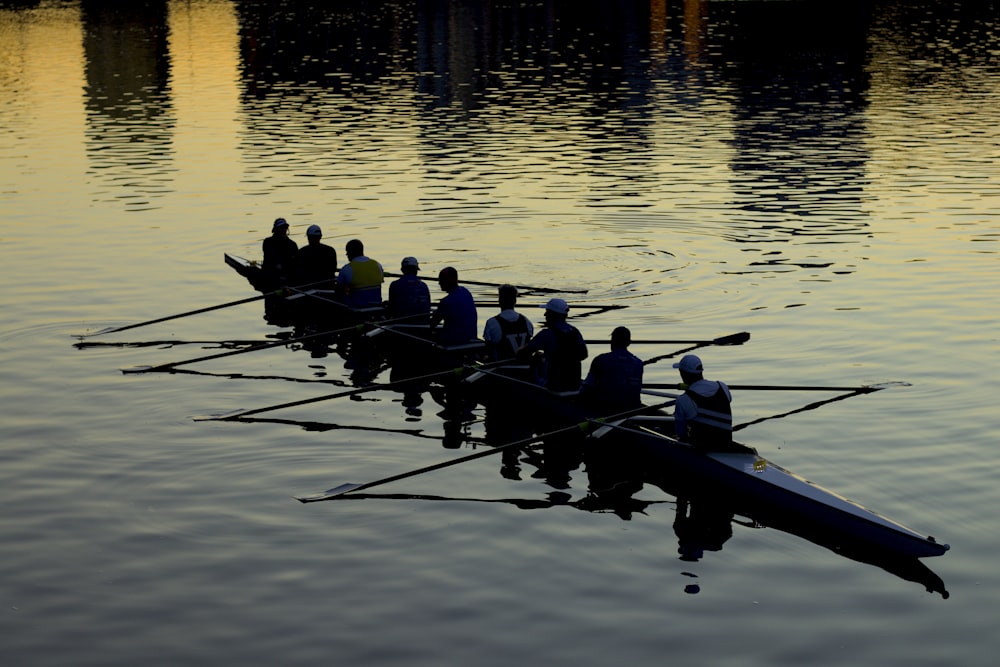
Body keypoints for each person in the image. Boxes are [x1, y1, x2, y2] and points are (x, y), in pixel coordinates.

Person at [518, 298, 588, 392]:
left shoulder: (546, 334)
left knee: (536, 363)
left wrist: (538, 358)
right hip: (573, 382)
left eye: (547, 312)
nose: (545, 315)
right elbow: (584, 354)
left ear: (552, 315)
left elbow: (522, 353)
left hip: (554, 384)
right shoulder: (574, 331)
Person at [672, 354, 733, 450]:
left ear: (682, 373)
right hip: (726, 444)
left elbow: (680, 433)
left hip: (703, 449)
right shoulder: (722, 387)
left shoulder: (684, 399)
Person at [580, 326, 643, 413]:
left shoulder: (601, 359)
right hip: (632, 408)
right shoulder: (639, 363)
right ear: (629, 343)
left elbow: (586, 387)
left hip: (606, 408)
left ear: (612, 341)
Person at [482, 284, 533, 361]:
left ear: (500, 300)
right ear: (515, 301)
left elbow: (488, 350)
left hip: (500, 369)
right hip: (524, 368)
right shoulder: (527, 322)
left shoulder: (492, 323)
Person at [429, 266, 478, 346]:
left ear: (449, 280)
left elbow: (432, 324)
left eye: (441, 279)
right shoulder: (466, 292)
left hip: (455, 341)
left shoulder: (446, 302)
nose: (439, 283)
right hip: (471, 337)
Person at [336, 239, 384, 308]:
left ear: (351, 252)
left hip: (357, 310)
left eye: (347, 252)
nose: (346, 254)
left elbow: (338, 292)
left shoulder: (347, 269)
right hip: (377, 307)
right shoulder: (377, 265)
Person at [387, 256, 431, 322]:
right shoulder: (424, 285)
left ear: (402, 270)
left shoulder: (395, 285)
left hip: (401, 325)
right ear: (416, 270)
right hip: (423, 325)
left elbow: (391, 308)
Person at [294, 224, 338, 288]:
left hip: (308, 286)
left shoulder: (301, 252)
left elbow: (298, 272)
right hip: (328, 286)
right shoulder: (330, 250)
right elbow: (333, 269)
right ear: (321, 236)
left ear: (308, 237)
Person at [261, 217, 298, 286]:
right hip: (272, 275)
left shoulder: (292, 244)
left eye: (285, 227)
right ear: (275, 230)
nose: (284, 230)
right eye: (281, 228)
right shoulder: (268, 242)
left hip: (287, 276)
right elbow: (271, 259)